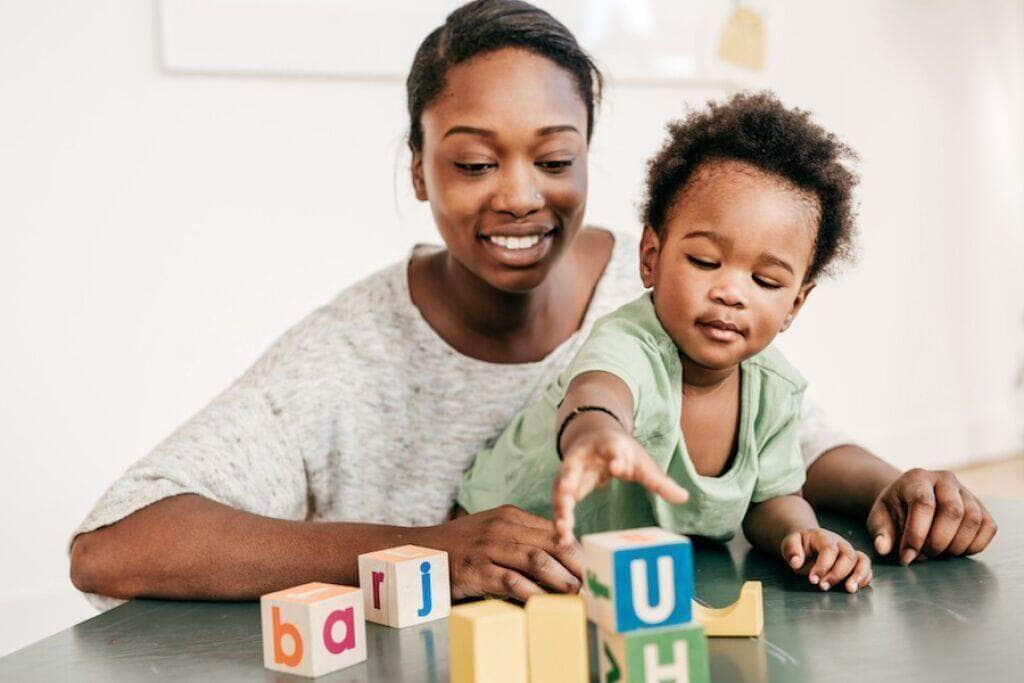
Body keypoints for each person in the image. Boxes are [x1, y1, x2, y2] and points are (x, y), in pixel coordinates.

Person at [69, 0, 996, 611]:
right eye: (473, 162)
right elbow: (114, 545)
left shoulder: (670, 285)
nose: (519, 195)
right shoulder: (354, 348)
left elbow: (784, 438)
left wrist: (893, 486)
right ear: (418, 169)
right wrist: (425, 549)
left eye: (555, 160)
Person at [460, 92, 873, 592]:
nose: (730, 292)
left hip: (612, 576)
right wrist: (598, 436)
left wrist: (804, 535)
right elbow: (597, 394)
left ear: (795, 305)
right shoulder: (631, 341)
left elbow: (770, 500)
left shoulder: (774, 390)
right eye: (704, 261)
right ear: (651, 257)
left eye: (765, 281)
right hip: (498, 548)